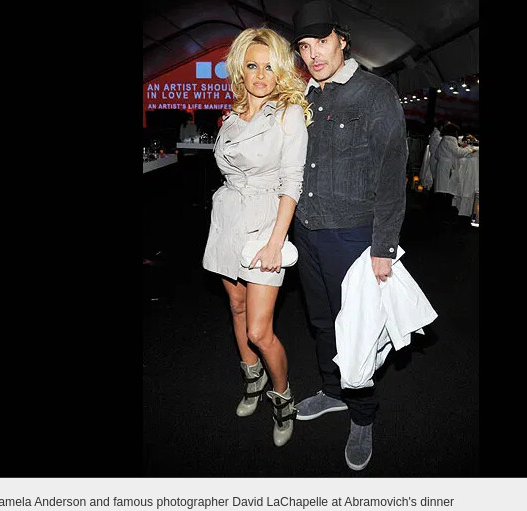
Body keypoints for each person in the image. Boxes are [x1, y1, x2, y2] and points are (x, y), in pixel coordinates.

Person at [290, 0, 408, 471]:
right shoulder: (303, 97)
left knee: (356, 331)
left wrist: (383, 246)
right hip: (307, 230)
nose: (313, 54)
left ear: (342, 39)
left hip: (353, 235)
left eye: (322, 42)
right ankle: (333, 391)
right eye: (304, 46)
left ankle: (363, 417)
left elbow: (392, 172)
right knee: (322, 323)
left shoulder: (375, 93)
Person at [201, 27, 311, 447]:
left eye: (269, 67)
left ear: (280, 70)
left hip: (267, 223)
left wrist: (274, 243)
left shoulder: (287, 114)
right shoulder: (231, 116)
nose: (261, 75)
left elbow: (292, 182)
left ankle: (283, 398)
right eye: (253, 66)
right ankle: (252, 381)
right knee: (236, 306)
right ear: (240, 70)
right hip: (228, 219)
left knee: (259, 331)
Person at [433, 122, 477, 223]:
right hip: (448, 170)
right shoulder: (450, 139)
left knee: (442, 193)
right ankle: (445, 217)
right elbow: (458, 152)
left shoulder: (444, 139)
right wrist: (470, 150)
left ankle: (440, 216)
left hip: (443, 168)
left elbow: (438, 154)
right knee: (447, 194)